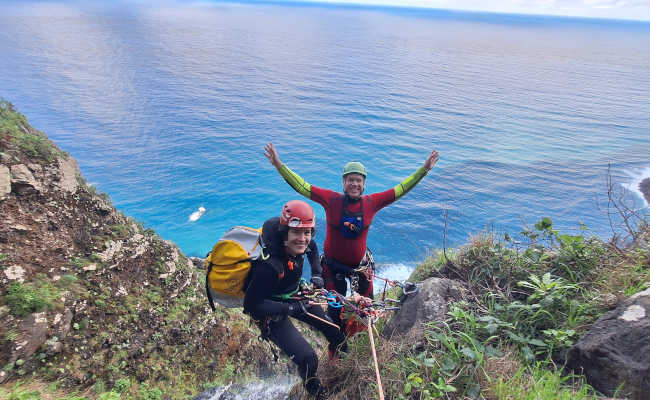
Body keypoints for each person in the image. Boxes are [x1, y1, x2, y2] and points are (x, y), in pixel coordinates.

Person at [263, 142, 439, 304]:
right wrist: (279, 165)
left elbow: (401, 189)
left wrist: (424, 169)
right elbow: (302, 186)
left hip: (360, 268)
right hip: (332, 267)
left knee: (366, 306)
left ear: (364, 184)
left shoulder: (372, 202)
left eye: (358, 180)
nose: (354, 184)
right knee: (334, 307)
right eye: (350, 180)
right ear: (343, 183)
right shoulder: (331, 199)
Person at [243, 200, 346, 397]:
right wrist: (289, 309)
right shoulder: (270, 267)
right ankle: (317, 393)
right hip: (270, 310)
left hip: (294, 295)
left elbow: (313, 248)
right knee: (308, 359)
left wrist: (316, 273)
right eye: (297, 233)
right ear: (285, 233)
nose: (303, 238)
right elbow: (251, 305)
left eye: (307, 232)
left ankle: (343, 371)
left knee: (336, 333)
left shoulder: (303, 243)